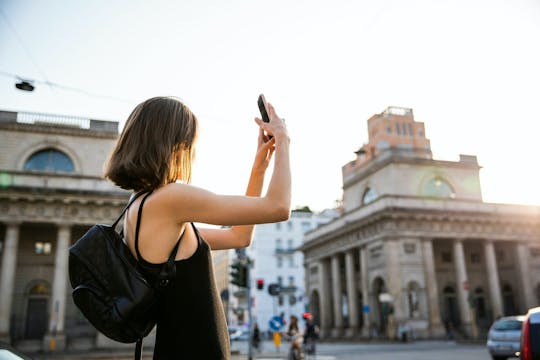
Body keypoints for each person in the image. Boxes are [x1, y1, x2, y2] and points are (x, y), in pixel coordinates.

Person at [104, 96, 290, 359]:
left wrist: (259, 167)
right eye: (190, 143)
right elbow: (278, 207)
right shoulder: (170, 198)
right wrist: (284, 141)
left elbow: (239, 236)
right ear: (175, 144)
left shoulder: (141, 205)